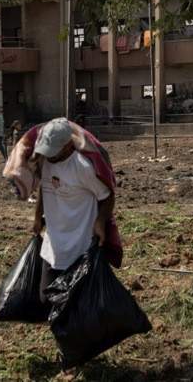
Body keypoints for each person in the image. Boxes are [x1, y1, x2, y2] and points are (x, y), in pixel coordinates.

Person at [30, 118, 116, 303]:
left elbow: (107, 196)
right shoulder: (46, 162)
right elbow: (44, 190)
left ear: (69, 145)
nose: (50, 156)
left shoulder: (82, 167)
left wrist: (100, 222)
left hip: (79, 249)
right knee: (46, 301)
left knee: (78, 306)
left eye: (54, 151)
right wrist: (38, 217)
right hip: (53, 247)